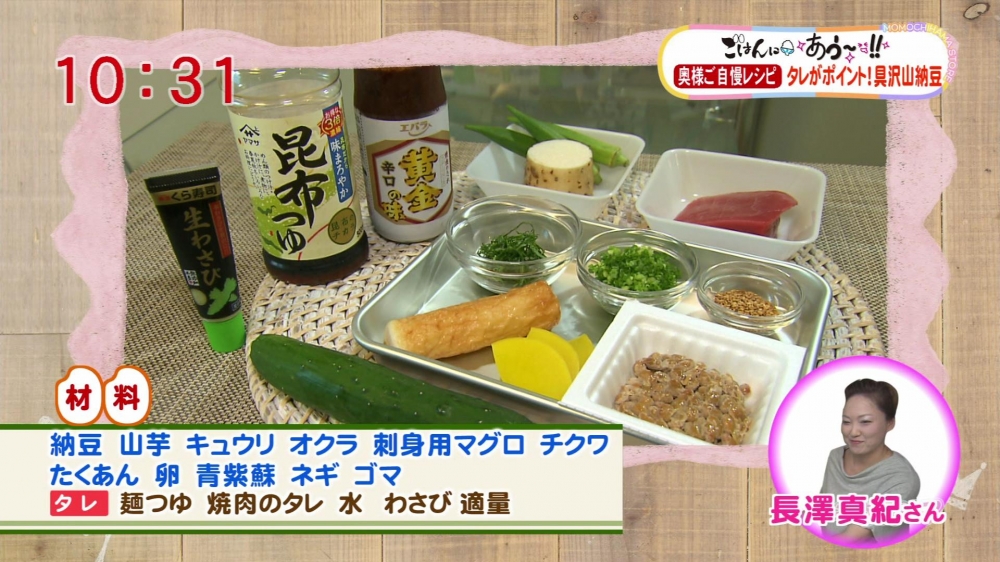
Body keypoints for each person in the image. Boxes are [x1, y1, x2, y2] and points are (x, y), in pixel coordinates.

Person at [819, 378, 920, 544]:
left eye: (865, 422)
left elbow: (852, 538)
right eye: (846, 421)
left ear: (890, 423)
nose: (853, 432)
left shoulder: (902, 479)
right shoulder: (835, 457)